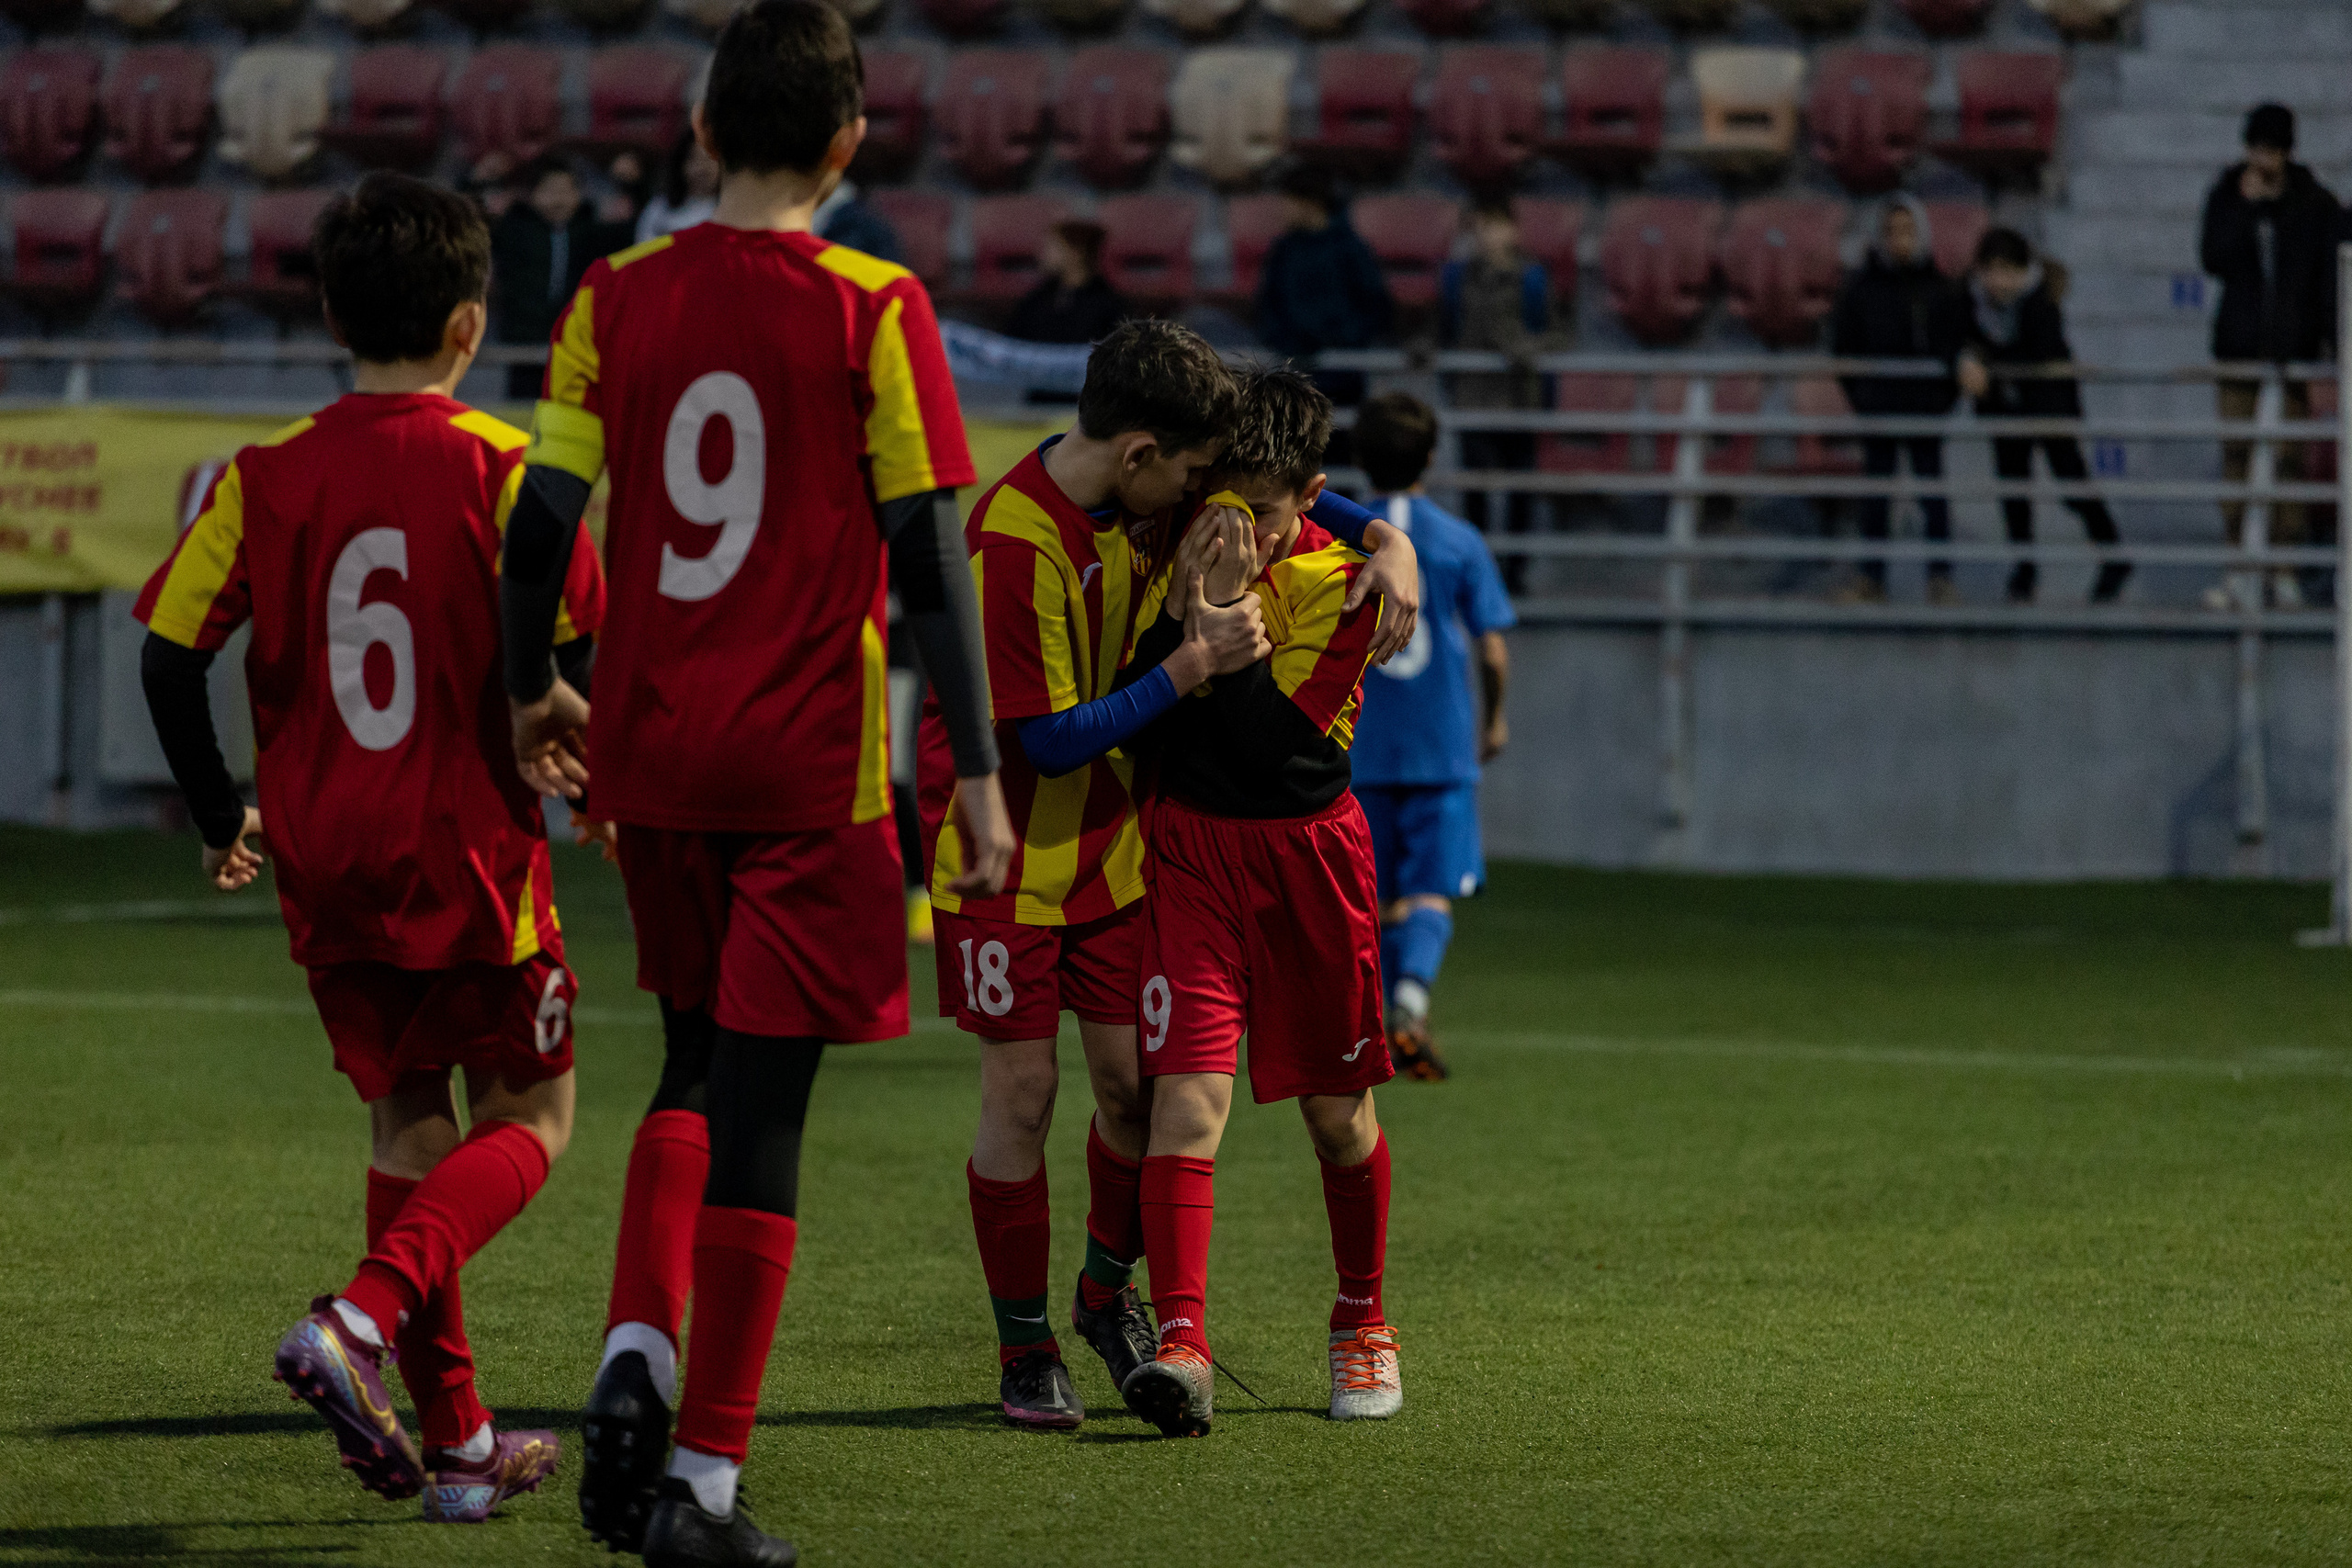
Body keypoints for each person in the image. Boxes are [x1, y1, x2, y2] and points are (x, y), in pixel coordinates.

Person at [496, 5, 1015, 1562]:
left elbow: (540, 523)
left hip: (649, 755)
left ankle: (633, 1358)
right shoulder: (876, 303)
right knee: (765, 1109)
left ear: (702, 132)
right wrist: (977, 773)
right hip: (808, 766)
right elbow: (929, 546)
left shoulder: (616, 292)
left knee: (686, 1064)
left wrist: (531, 687)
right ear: (850, 150)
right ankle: (702, 1486)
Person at [131, 173, 606, 1524]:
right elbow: (574, 656)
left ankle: (460, 1448)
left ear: (333, 312)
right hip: (467, 856)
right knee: (536, 1117)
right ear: (471, 326)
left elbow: (172, 657)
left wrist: (224, 812)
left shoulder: (266, 474)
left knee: (411, 1122)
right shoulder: (514, 471)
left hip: (328, 857)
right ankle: (361, 1316)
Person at [915, 321, 1424, 1431]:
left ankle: (1112, 1295)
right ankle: (1031, 1348)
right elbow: (1042, 742)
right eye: (1204, 487)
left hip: (1139, 841)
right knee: (1026, 1093)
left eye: (1230, 496)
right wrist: (1194, 651)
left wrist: (1389, 535)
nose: (1217, 515)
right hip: (1005, 833)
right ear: (1151, 459)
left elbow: (1277, 499)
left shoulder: (1196, 521)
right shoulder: (1017, 542)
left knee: (1142, 1094)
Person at [1114, 367, 1402, 1438]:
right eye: (1221, 504)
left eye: (1265, 512)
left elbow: (1261, 748)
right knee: (1185, 1105)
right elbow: (1153, 726)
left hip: (1308, 864)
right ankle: (1183, 1343)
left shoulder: (1345, 588)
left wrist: (1219, 621)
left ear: (1309, 498)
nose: (1238, 529)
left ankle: (1361, 1319)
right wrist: (1190, 621)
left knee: (1337, 1121)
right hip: (1188, 856)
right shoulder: (1181, 544)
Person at [1346, 393, 1514, 1081]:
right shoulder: (1458, 541)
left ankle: (1381, 1025)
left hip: (1359, 747)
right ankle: (1410, 1003)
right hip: (1441, 747)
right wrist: (1495, 717)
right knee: (1432, 890)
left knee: (1376, 895)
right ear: (1430, 459)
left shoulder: (1341, 536)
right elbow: (1494, 649)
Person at [2199, 102, 2341, 608]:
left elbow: (2328, 273)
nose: (2263, 160)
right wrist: (2246, 209)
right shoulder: (2226, 194)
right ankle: (2241, 568)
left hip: (2292, 353)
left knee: (2286, 462)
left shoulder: (2313, 203)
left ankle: (2283, 570)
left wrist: (2329, 341)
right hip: (2239, 349)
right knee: (2237, 459)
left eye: (2272, 151)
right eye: (2256, 149)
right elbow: (2212, 258)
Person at [1955, 228, 2129, 604]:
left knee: (2072, 485)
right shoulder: (1970, 304)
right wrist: (1966, 356)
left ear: (2022, 270)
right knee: (2014, 493)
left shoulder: (2042, 301)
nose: (1999, 281)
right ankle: (2024, 571)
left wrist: (1982, 359)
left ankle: (2113, 554)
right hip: (2003, 411)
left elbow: (2035, 351)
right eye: (1991, 270)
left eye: (2007, 270)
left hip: (2049, 409)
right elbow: (1953, 336)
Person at [1831, 194, 1969, 604]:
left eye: (1908, 230)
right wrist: (1865, 400)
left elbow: (1955, 347)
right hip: (1879, 410)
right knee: (1875, 497)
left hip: (1926, 411)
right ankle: (1871, 579)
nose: (1900, 240)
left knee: (1934, 497)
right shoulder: (1860, 289)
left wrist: (1943, 400)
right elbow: (1844, 352)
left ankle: (1941, 579)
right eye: (1892, 232)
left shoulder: (1942, 289)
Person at [1439, 198, 1551, 581]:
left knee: (1520, 491)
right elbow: (1444, 327)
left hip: (1519, 398)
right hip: (1473, 397)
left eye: (1496, 226)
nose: (1488, 236)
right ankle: (1477, 570)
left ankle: (1515, 573)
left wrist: (1527, 349)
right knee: (1476, 492)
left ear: (1513, 231)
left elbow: (1554, 332)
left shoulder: (1532, 278)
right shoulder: (1457, 277)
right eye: (1480, 227)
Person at [490, 157, 634, 400]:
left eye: (567, 190)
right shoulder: (515, 230)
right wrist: (483, 180)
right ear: (531, 195)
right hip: (523, 340)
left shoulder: (591, 232)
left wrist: (630, 185)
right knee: (524, 411)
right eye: (549, 190)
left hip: (574, 343)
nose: (559, 198)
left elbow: (632, 231)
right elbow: (472, 217)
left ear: (581, 194)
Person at [1255, 164, 1394, 405]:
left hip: (1342, 377)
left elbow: (1375, 306)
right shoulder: (1283, 251)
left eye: (1287, 200)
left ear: (1309, 202)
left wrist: (1340, 339)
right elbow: (1269, 305)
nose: (1281, 210)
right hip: (1293, 378)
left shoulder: (1350, 250)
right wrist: (1286, 343)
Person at [1002, 220, 1127, 347]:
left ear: (1076, 252)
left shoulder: (1108, 307)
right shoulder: (1036, 300)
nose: (1043, 254)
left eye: (1053, 247)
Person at [635, 130, 722, 242]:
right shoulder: (659, 209)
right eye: (695, 159)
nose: (703, 169)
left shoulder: (729, 211)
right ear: (681, 165)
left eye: (709, 159)